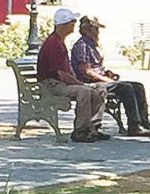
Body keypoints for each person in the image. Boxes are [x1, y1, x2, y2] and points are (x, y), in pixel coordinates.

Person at [71, 16, 150, 137]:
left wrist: (107, 73)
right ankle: (134, 125)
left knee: (138, 86)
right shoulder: (82, 45)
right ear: (87, 30)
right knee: (126, 88)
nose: (97, 32)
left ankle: (144, 122)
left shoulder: (92, 45)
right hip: (90, 83)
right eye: (95, 29)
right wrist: (106, 79)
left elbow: (96, 67)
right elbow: (86, 71)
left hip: (100, 79)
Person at [36, 8, 108, 143]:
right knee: (85, 91)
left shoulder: (60, 41)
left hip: (60, 83)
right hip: (52, 85)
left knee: (100, 90)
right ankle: (81, 131)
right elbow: (62, 75)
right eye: (72, 21)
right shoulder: (54, 44)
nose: (74, 24)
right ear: (64, 24)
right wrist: (81, 84)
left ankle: (93, 128)